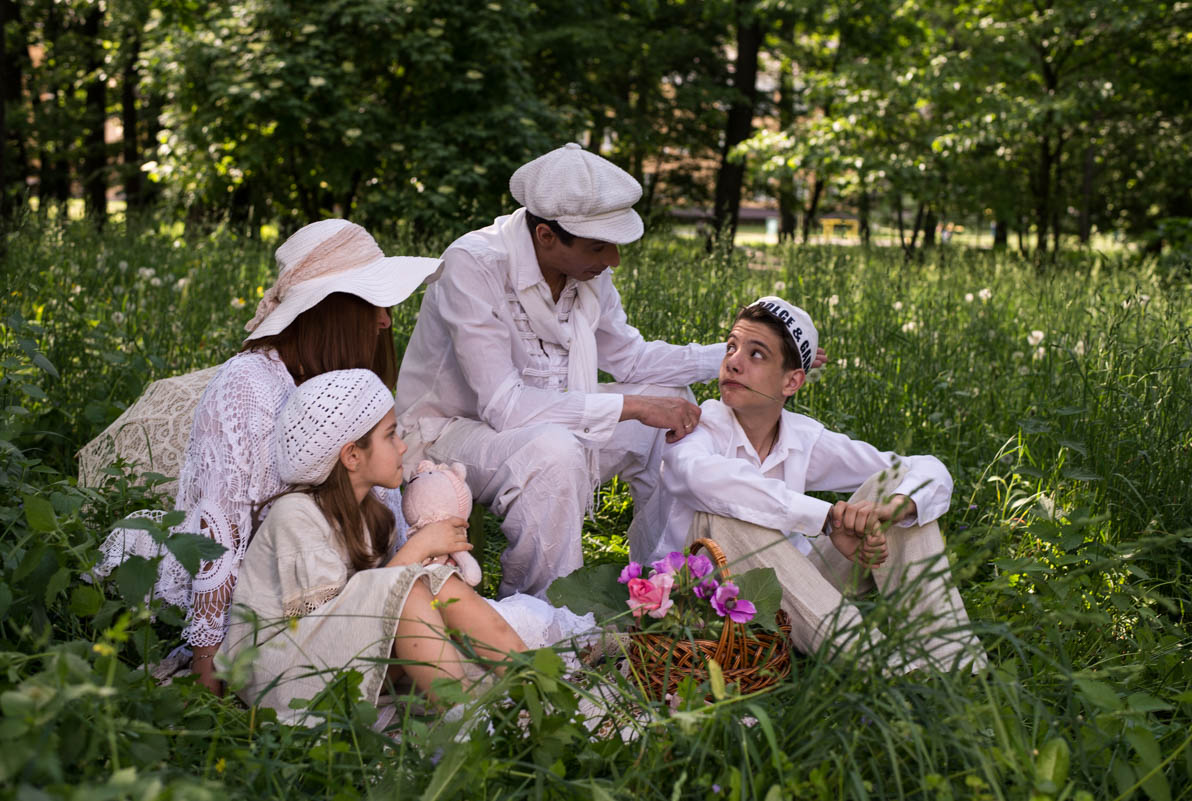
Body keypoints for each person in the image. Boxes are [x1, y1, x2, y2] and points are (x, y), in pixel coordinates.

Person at [96, 219, 443, 693]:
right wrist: (208, 668)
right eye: (373, 303)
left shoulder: (351, 384)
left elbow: (380, 508)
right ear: (331, 311)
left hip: (343, 587)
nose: (386, 319)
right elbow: (218, 533)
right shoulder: (248, 390)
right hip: (279, 602)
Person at [394, 143, 724, 598]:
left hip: (546, 426)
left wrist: (731, 355)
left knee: (675, 401)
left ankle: (665, 586)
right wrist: (633, 406)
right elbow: (505, 408)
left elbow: (630, 359)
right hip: (445, 436)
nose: (614, 260)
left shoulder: (586, 273)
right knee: (555, 450)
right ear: (546, 235)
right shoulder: (473, 263)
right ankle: (545, 619)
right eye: (599, 246)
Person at [659, 296, 987, 672]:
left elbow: (926, 468)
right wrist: (829, 518)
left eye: (757, 354)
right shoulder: (698, 427)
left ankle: (951, 657)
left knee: (895, 482)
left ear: (792, 381)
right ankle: (884, 667)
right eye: (731, 346)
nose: (733, 360)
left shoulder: (802, 438)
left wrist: (891, 508)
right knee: (727, 515)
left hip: (797, 594)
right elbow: (703, 479)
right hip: (709, 605)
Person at [219, 370, 526, 723]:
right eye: (391, 435)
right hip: (280, 672)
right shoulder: (295, 516)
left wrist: (428, 563)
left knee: (436, 580)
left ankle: (530, 681)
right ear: (352, 456)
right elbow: (336, 616)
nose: (403, 446)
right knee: (407, 586)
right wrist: (418, 548)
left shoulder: (371, 516)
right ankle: (466, 720)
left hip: (336, 660)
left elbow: (371, 607)